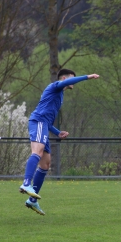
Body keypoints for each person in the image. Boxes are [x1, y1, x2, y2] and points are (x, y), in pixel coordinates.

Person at [19, 69, 100, 215]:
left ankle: (32, 200)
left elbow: (49, 120)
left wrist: (57, 132)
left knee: (45, 164)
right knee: (37, 151)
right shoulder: (55, 86)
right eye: (71, 79)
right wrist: (87, 77)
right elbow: (68, 82)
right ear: (64, 78)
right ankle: (26, 184)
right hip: (38, 122)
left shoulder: (60, 95)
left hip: (44, 124)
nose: (73, 82)